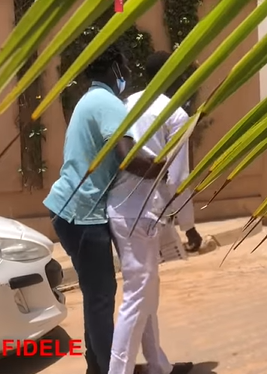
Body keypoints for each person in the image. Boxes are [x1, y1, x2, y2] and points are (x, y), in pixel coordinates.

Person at [43, 45, 165, 374]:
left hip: (71, 209)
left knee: (96, 292)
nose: (126, 72)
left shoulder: (91, 99)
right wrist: (160, 168)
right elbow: (128, 155)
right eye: (124, 64)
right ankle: (111, 367)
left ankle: (98, 365)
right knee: (101, 295)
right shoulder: (107, 103)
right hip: (81, 213)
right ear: (114, 66)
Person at [105, 50, 199, 374]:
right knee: (137, 296)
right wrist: (189, 226)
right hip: (145, 213)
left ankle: (158, 365)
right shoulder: (176, 114)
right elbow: (178, 176)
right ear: (175, 77)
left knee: (146, 290)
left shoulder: (127, 104)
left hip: (120, 208)